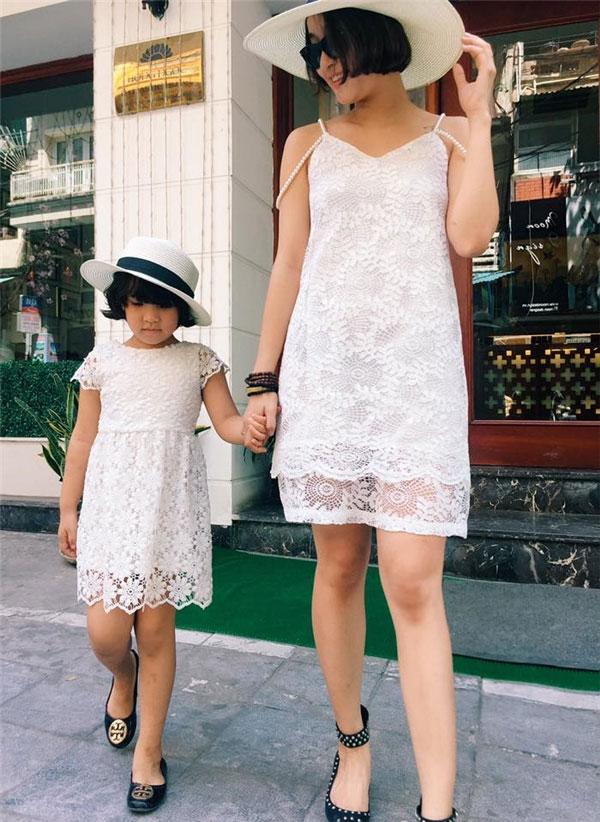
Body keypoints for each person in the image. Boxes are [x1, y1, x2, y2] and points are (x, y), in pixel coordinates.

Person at [243, 1, 498, 820]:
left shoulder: (450, 138)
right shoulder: (306, 143)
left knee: (415, 583)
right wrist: (263, 379)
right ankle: (352, 744)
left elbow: (470, 237)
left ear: (375, 36)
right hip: (328, 382)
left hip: (416, 385)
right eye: (312, 51)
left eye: (330, 45)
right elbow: (288, 266)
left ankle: (437, 804)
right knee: (342, 566)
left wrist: (480, 118)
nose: (320, 64)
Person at [58, 236, 267, 814]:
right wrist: (69, 508)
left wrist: (249, 429)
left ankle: (149, 751)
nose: (150, 316)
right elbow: (82, 439)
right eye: (137, 302)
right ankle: (122, 678)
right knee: (106, 635)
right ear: (120, 303)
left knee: (155, 634)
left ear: (182, 310)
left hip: (168, 512)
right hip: (111, 509)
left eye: (163, 304)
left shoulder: (199, 361)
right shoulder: (102, 362)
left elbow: (225, 420)